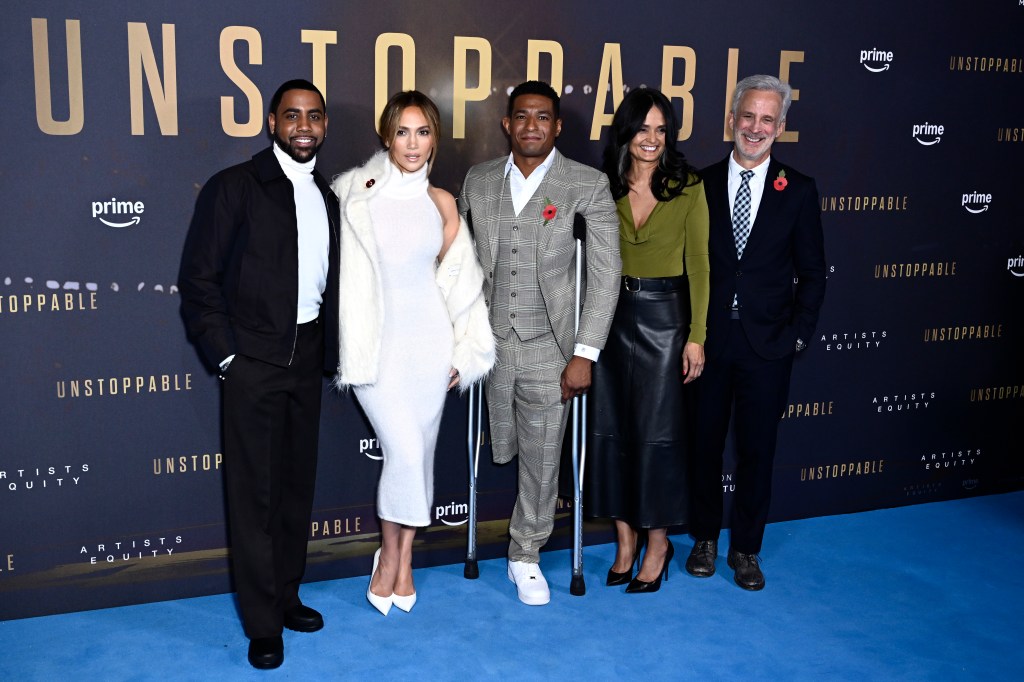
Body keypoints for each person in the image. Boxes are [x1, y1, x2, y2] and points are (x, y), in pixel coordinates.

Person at [178, 79, 338, 669]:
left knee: (296, 489)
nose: (304, 127)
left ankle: (287, 593)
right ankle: (261, 621)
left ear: (324, 126)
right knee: (254, 496)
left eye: (314, 117)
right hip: (251, 364)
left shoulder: (327, 195)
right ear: (272, 122)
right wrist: (227, 358)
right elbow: (198, 283)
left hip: (307, 361)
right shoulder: (234, 188)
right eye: (292, 116)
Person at [458, 81, 621, 606]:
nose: (532, 125)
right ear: (507, 124)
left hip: (553, 347)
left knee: (544, 455)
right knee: (501, 445)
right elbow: (457, 265)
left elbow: (604, 274)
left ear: (557, 126)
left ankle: (524, 553)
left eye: (543, 117)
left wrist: (585, 353)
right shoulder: (479, 182)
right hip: (489, 342)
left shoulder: (586, 184)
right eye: (522, 116)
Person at [331, 91, 494, 616]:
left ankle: (400, 560)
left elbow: (461, 286)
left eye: (423, 132)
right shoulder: (354, 193)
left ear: (435, 139)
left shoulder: (442, 203)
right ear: (386, 135)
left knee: (418, 455)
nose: (413, 143)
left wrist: (465, 351)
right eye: (403, 131)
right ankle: (389, 563)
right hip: (376, 348)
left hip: (429, 346)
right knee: (402, 452)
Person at [686, 74, 826, 590]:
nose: (756, 127)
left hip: (768, 345)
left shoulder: (800, 190)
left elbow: (813, 273)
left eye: (768, 119)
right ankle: (704, 537)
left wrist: (796, 336)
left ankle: (746, 548)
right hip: (708, 341)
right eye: (748, 116)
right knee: (702, 445)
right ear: (731, 119)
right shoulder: (696, 184)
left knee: (757, 450)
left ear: (781, 127)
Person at [584, 87, 709, 593]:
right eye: (643, 129)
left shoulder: (689, 186)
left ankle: (658, 543)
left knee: (658, 436)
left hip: (666, 317)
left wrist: (697, 336)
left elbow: (700, 263)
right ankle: (625, 541)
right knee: (610, 430)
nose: (652, 139)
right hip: (611, 316)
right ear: (626, 132)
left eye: (661, 129)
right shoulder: (602, 186)